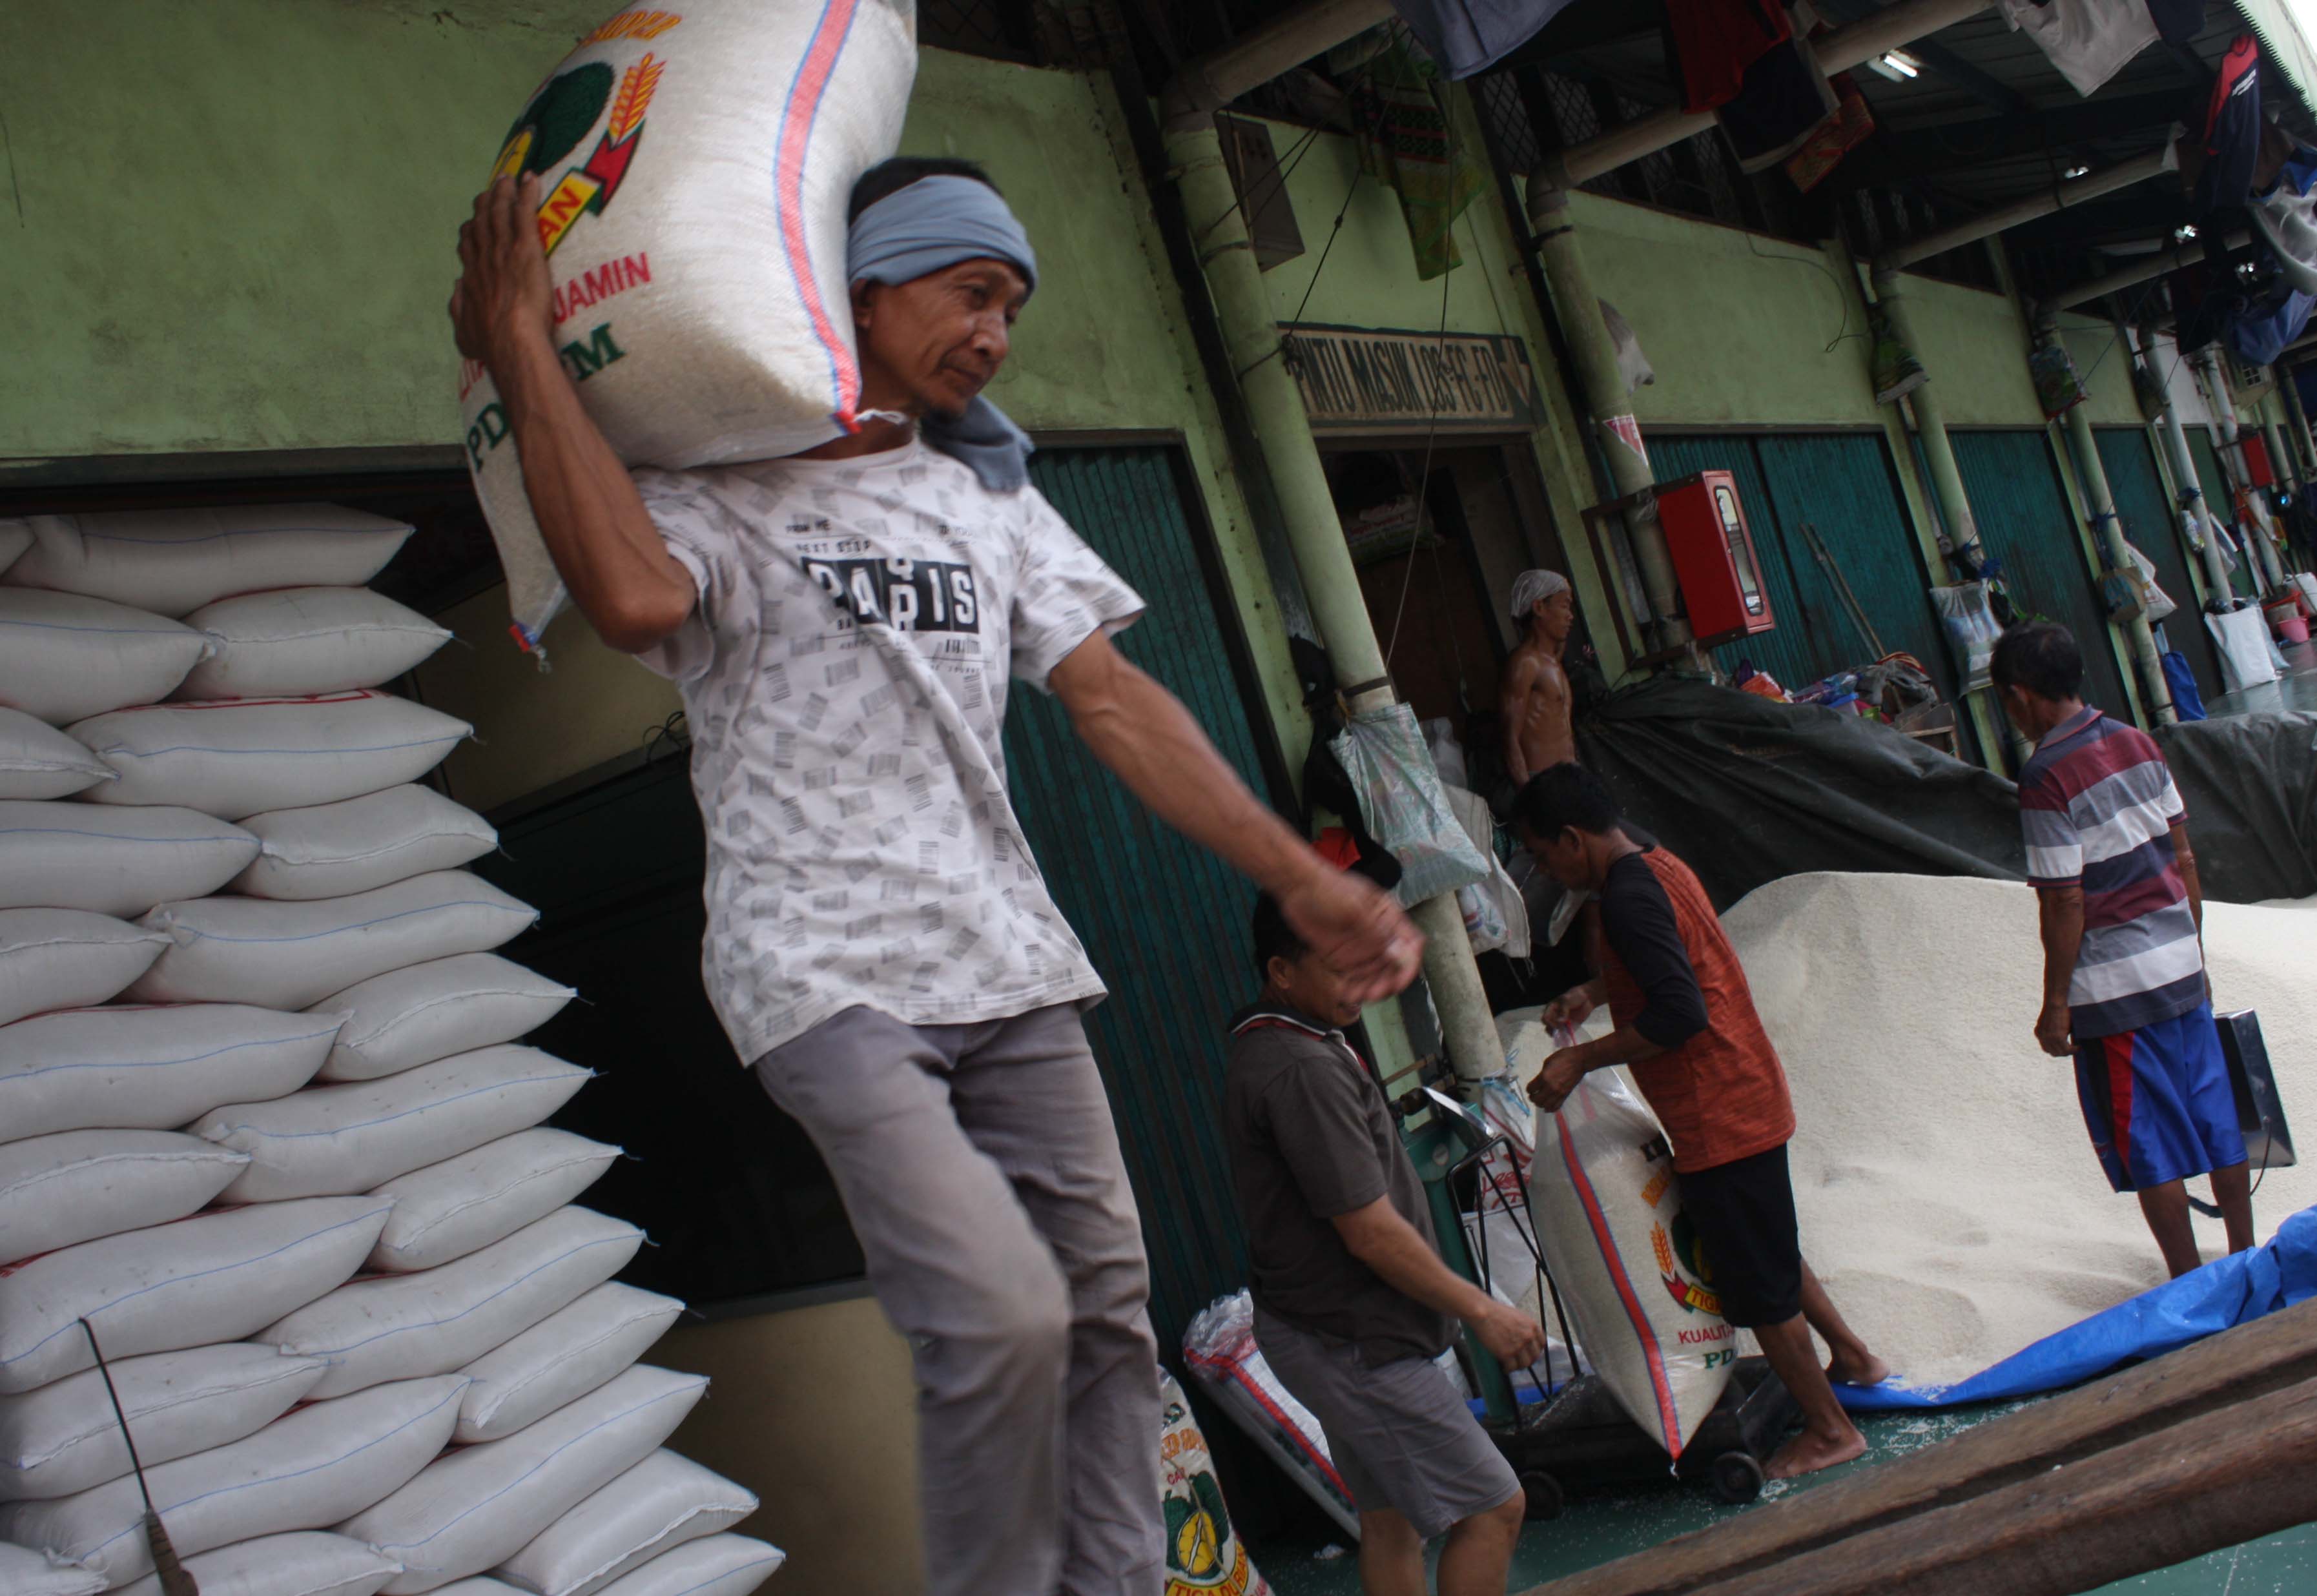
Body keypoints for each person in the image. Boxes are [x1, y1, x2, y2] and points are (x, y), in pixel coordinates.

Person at [449, 156, 1424, 1596]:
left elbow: (1114, 703)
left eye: (1011, 306)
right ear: (862, 289)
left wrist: (1303, 876)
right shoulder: (718, 491)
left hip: (1009, 962)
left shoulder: (988, 500)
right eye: (971, 292)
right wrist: (524, 340)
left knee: (1103, 1315)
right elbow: (633, 595)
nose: (994, 334)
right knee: (1000, 1314)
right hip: (822, 972)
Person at [1512, 763, 1886, 1480]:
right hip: (1747, 1089)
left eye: (1541, 854)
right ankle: (1854, 1358)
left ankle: (1830, 1430)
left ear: (1572, 838)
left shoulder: (1626, 900)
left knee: (1759, 1289)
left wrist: (1580, 1059)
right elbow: (1668, 964)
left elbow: (1678, 1014)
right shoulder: (1656, 861)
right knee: (1772, 1249)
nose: (1546, 872)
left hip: (1718, 1113)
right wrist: (1594, 991)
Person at [1226, 888, 1539, 1596]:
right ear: (1282, 971)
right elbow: (1368, 1232)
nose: (1360, 984)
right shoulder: (1300, 1067)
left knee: (1391, 1519)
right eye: (1341, 969)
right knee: (1494, 1508)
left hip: (1321, 1328)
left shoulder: (1296, 1041)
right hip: (1350, 1341)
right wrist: (1483, 1311)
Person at [1993, 622, 2252, 1278]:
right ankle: (2246, 1258)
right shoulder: (2137, 740)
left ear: (2020, 695)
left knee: (2150, 1143)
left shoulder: (2044, 776)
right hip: (2180, 964)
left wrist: (2056, 1003)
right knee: (2215, 1114)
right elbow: (2184, 858)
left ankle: (2188, 1282)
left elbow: (2065, 901)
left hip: (2116, 992)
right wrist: (2194, 950)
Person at [1500, 569, 1578, 788]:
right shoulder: (1525, 663)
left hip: (1570, 776)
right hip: (1544, 783)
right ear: (1539, 607)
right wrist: (1531, 795)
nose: (1570, 616)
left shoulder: (1551, 663)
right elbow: (1509, 738)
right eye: (1564, 606)